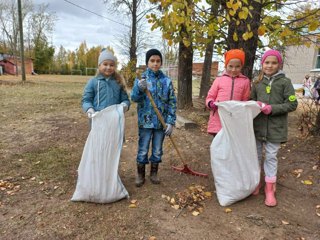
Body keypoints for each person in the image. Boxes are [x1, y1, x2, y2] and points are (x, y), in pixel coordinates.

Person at [251, 49, 298, 207]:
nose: (270, 66)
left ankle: (270, 189)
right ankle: (255, 183)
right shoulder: (257, 83)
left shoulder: (285, 83)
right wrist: (254, 105)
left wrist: (272, 108)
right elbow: (251, 100)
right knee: (256, 156)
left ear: (279, 64)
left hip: (275, 129)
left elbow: (292, 104)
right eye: (267, 62)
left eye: (274, 63)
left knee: (271, 157)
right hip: (257, 127)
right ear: (262, 64)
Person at [131, 49, 177, 187]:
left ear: (161, 63)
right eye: (152, 61)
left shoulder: (166, 81)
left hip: (160, 124)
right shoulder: (141, 80)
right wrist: (139, 89)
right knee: (143, 148)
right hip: (145, 123)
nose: (155, 64)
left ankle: (154, 172)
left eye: (158, 61)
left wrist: (170, 122)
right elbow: (134, 98)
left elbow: (172, 102)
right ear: (147, 63)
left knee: (157, 149)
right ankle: (140, 174)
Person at [206, 49, 251, 136]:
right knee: (219, 146)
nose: (234, 69)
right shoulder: (219, 80)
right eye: (230, 66)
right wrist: (211, 103)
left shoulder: (245, 81)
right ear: (226, 65)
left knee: (231, 146)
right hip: (218, 118)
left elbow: (245, 100)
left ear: (242, 66)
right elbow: (210, 96)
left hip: (235, 119)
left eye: (237, 66)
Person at [82, 48, 130, 123]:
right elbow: (86, 100)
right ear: (99, 65)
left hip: (115, 120)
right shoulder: (92, 82)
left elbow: (125, 99)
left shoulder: (119, 82)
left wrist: (124, 106)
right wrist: (89, 109)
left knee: (115, 135)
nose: (108, 67)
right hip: (97, 120)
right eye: (105, 64)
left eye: (111, 65)